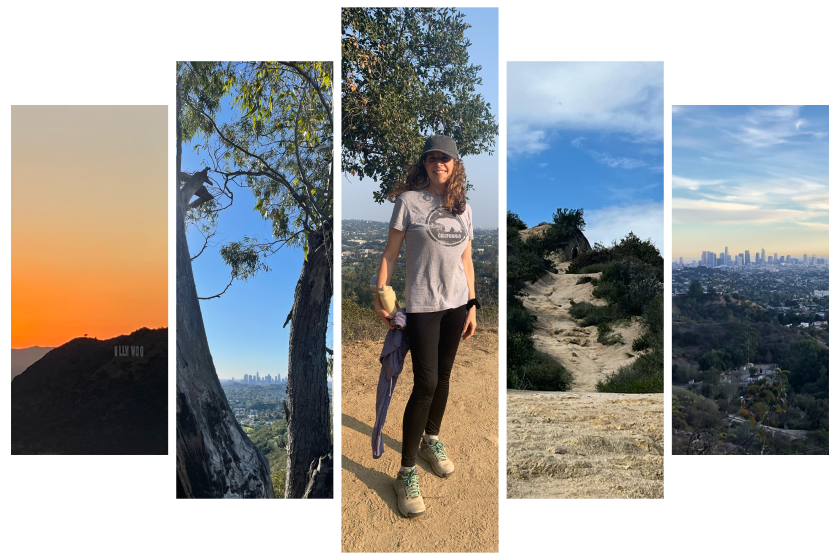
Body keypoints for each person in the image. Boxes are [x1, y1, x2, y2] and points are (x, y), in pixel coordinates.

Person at [373, 134, 477, 518]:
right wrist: (380, 292)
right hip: (422, 307)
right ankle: (405, 471)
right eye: (432, 159)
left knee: (445, 376)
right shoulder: (408, 202)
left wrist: (473, 305)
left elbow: (466, 261)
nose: (438, 164)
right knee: (426, 382)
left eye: (445, 159)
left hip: (455, 306)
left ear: (455, 165)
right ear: (425, 164)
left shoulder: (463, 208)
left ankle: (432, 439)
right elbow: (390, 254)